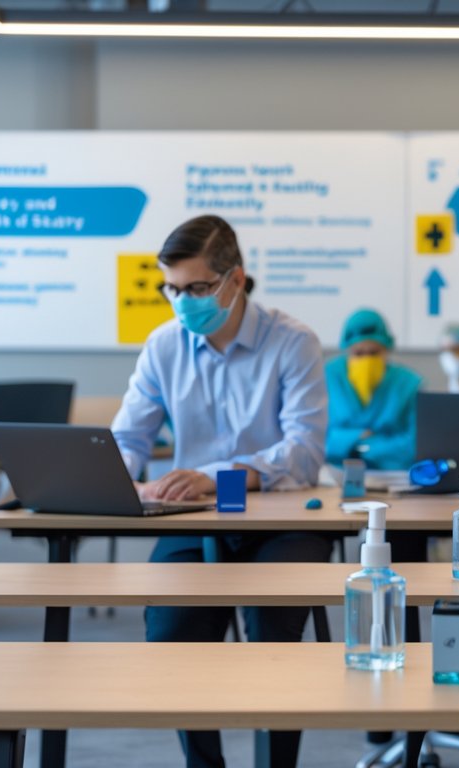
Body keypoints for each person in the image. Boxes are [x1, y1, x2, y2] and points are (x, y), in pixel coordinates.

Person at [110, 215, 329, 768]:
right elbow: (129, 437)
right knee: (171, 634)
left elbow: (303, 453)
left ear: (235, 280)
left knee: (273, 638)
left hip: (280, 521)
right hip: (194, 519)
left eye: (197, 288)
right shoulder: (164, 346)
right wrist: (112, 474)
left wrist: (218, 474)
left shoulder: (292, 341)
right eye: (172, 289)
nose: (183, 302)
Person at [324, 308, 421, 471]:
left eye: (374, 352)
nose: (366, 359)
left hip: (393, 476)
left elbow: (414, 444)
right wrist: (366, 439)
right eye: (359, 353)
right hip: (334, 477)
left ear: (387, 349)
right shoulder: (327, 377)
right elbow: (314, 438)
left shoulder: (409, 384)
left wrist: (350, 445)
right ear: (347, 350)